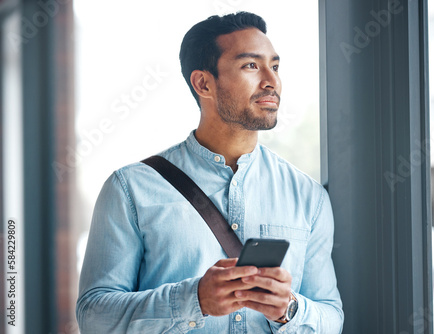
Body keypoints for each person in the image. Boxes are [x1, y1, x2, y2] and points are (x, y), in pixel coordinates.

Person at [76, 11, 343, 334]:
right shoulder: (130, 189)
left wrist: (290, 309)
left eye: (274, 66)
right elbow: (93, 317)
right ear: (204, 83)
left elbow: (331, 317)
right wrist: (193, 300)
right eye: (250, 66)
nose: (271, 81)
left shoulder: (307, 196)